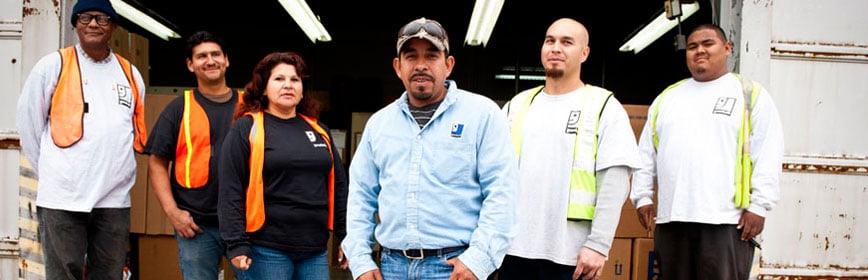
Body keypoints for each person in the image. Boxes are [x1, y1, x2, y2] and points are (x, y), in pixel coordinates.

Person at [341, 17, 520, 280]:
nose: (421, 65)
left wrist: (479, 260)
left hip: (454, 268)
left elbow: (503, 192)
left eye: (432, 56)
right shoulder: (379, 124)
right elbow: (360, 196)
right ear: (397, 66)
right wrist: (360, 261)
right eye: (411, 56)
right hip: (390, 268)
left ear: (448, 65)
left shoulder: (482, 115)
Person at [630, 23, 784, 280]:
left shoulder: (749, 94)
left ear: (727, 48)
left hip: (726, 221)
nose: (699, 50)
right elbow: (646, 154)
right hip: (673, 219)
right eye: (692, 46)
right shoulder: (668, 98)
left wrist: (760, 206)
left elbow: (768, 151)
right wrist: (642, 197)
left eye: (707, 44)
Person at [495, 18, 641, 280]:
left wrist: (598, 245)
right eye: (550, 40)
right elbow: (493, 176)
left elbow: (615, 182)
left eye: (567, 42)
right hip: (513, 250)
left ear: (584, 53)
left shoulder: (604, 106)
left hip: (571, 256)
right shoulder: (517, 105)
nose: (555, 48)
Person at [15, 0, 147, 278]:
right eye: (85, 18)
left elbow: (130, 130)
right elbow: (29, 126)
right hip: (63, 198)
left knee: (109, 273)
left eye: (101, 18)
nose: (93, 24)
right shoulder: (53, 65)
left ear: (113, 26)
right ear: (75, 24)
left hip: (114, 199)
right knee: (64, 273)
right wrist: (55, 174)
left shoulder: (130, 73)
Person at [218, 51, 348, 280]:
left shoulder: (319, 131)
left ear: (302, 89)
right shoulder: (247, 128)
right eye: (279, 79)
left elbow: (339, 187)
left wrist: (346, 237)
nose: (288, 85)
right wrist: (236, 243)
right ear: (264, 88)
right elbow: (231, 189)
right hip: (266, 249)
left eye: (295, 80)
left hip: (315, 250)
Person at [143, 30, 245, 280]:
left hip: (246, 226)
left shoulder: (249, 107)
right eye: (201, 56)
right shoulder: (179, 108)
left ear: (226, 60)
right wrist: (172, 212)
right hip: (197, 227)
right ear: (190, 64)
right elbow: (156, 164)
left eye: (215, 54)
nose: (209, 60)